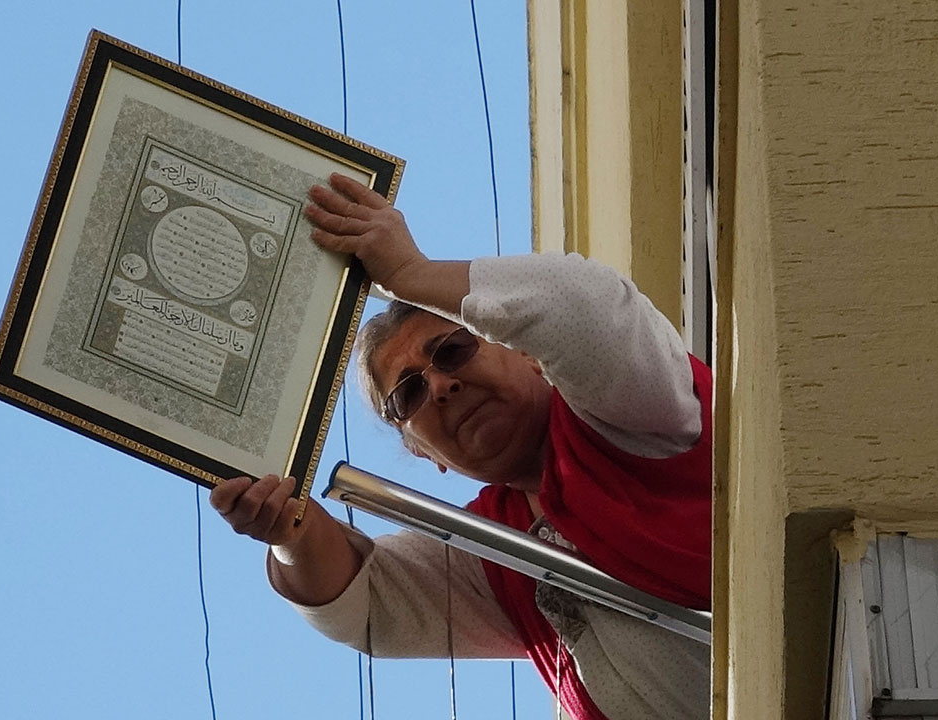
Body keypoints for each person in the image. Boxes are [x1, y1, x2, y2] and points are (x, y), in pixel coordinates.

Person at [209, 173, 712, 720]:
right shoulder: (494, 550)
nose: (441, 386)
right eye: (409, 393)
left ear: (525, 353)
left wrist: (410, 275)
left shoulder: (630, 415)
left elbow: (587, 308)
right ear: (425, 454)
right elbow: (366, 604)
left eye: (451, 351)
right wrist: (288, 529)